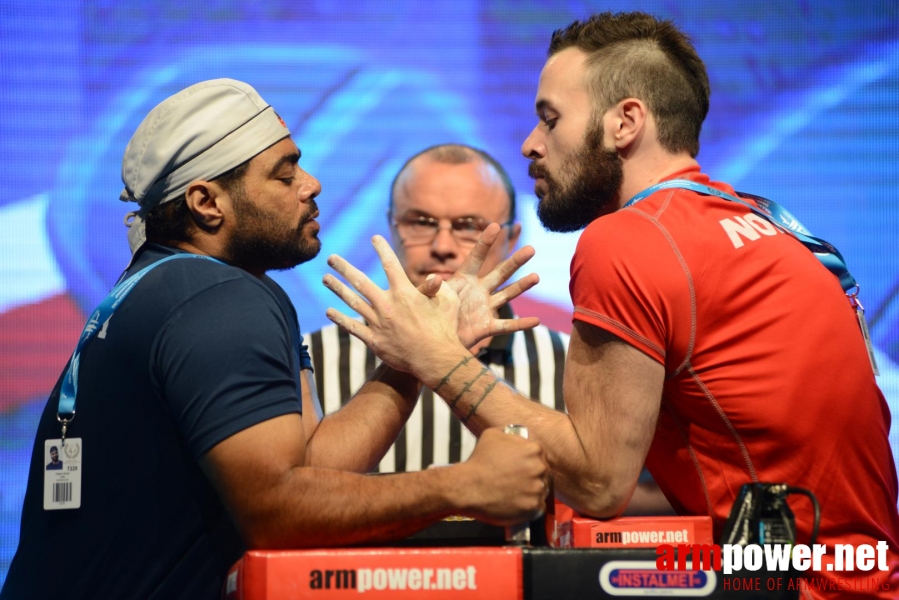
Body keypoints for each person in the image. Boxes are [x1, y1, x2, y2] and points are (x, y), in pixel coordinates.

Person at [322, 12, 899, 597]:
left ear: (626, 122)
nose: (530, 143)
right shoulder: (768, 223)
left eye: (551, 119)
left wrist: (436, 357)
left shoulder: (628, 238)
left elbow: (598, 484)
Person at [0, 79, 548, 600]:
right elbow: (278, 512)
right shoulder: (213, 297)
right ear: (206, 202)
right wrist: (462, 486)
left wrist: (414, 358)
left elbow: (314, 468)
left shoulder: (165, 284)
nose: (311, 184)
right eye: (284, 175)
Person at [307, 144, 569, 472]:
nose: (441, 247)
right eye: (421, 222)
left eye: (468, 226)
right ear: (392, 228)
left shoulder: (570, 366)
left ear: (512, 239)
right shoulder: (309, 362)